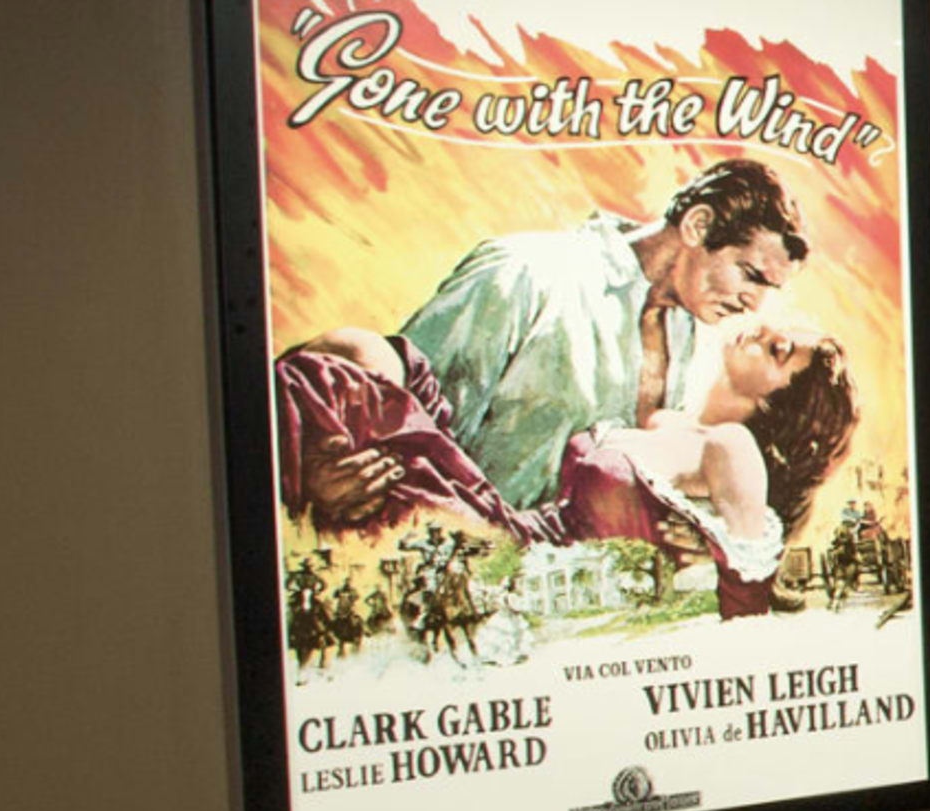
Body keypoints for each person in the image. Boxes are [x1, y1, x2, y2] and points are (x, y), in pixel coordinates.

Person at [304, 159, 813, 528]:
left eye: (769, 290)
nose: (754, 304)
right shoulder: (527, 274)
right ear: (699, 225)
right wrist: (325, 480)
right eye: (751, 275)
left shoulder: (685, 333)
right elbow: (395, 418)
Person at [272, 314, 855, 616]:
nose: (769, 331)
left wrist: (713, 563)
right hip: (507, 519)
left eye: (781, 351)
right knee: (359, 352)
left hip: (508, 555)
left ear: (778, 406)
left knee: (337, 387)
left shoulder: (733, 447)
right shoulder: (672, 420)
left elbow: (746, 595)